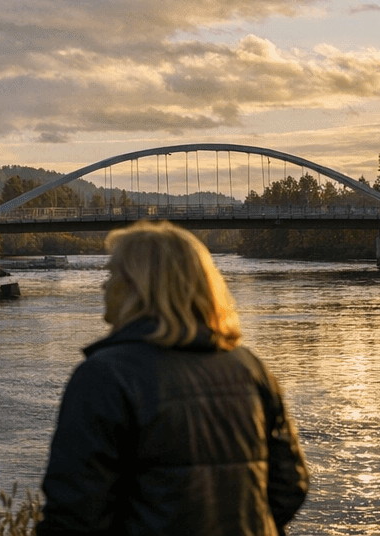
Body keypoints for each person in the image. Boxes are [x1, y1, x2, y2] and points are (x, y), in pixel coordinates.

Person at [38, 221, 309, 536]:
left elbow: (75, 514)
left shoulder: (105, 376)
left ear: (140, 286)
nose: (104, 286)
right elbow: (290, 485)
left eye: (112, 274)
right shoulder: (250, 368)